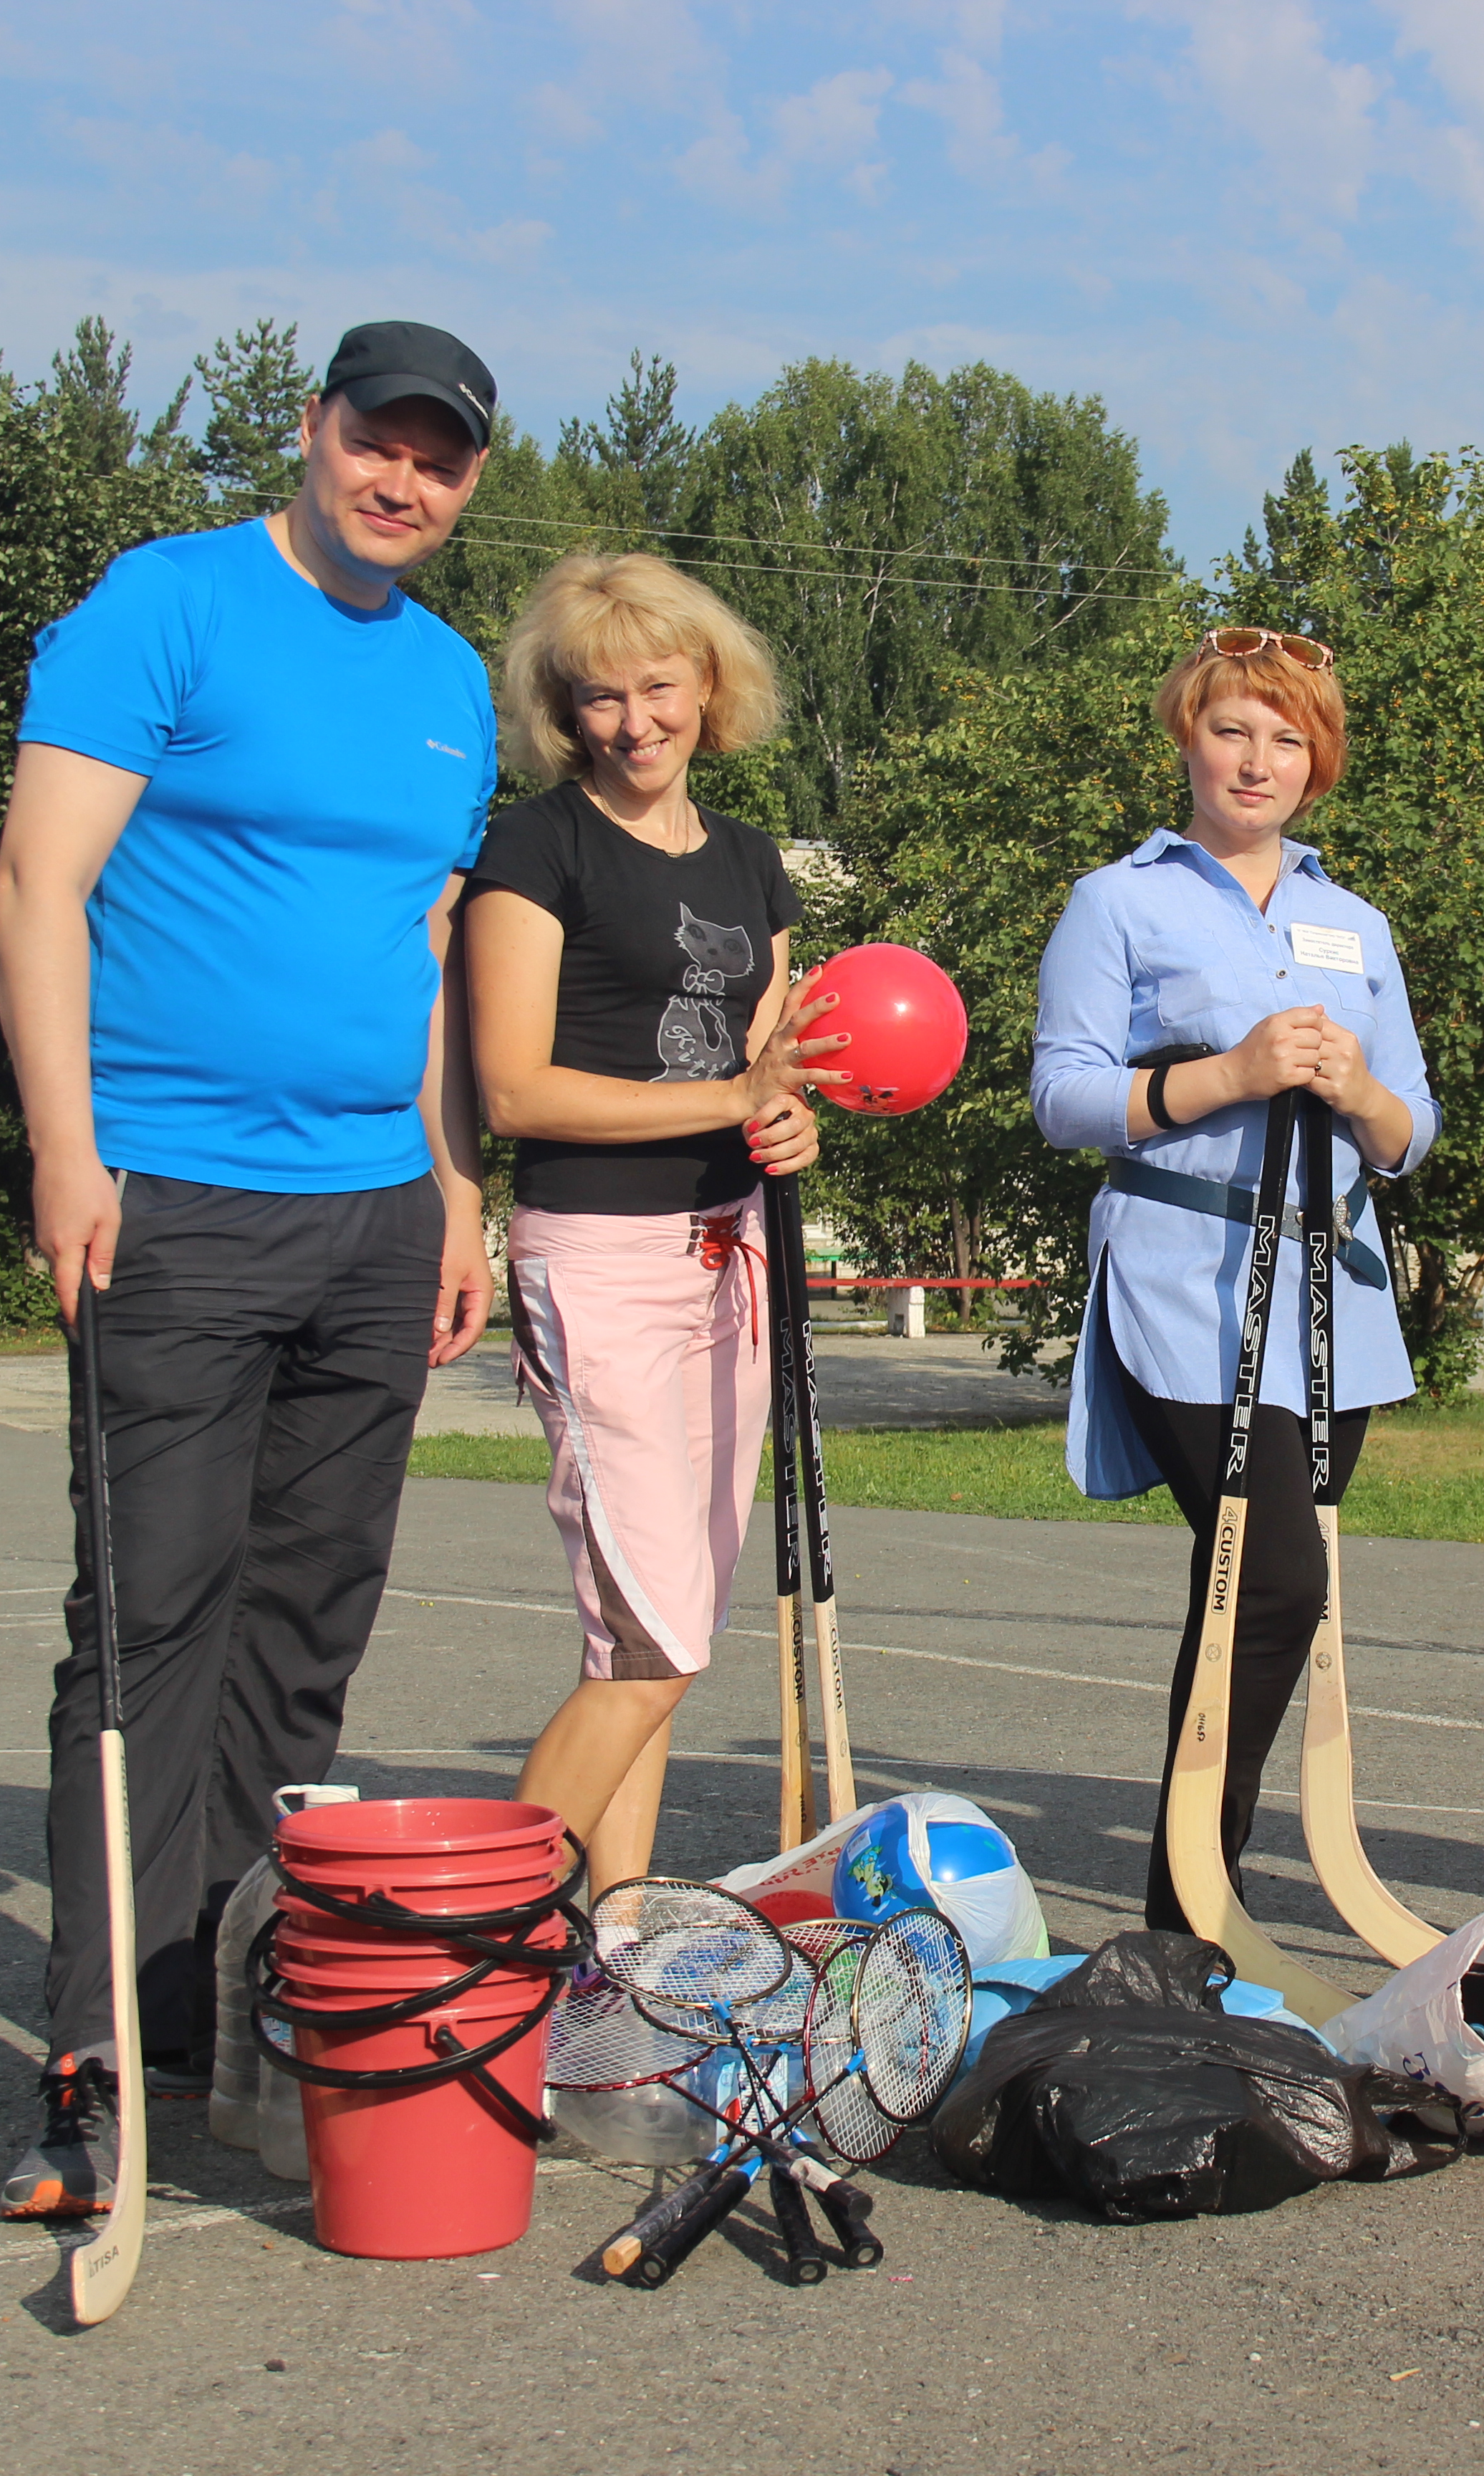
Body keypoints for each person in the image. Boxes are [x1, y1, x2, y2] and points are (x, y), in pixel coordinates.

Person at [0, 320, 506, 2219]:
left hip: (374, 1215)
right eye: (381, 440)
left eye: (441, 462)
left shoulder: (453, 684)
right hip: (171, 1197)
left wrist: (453, 1189)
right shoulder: (169, 606)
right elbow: (42, 879)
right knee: (150, 1629)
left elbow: (432, 947)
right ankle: (93, 2058)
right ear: (315, 431)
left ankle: (215, 2009)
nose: (404, 481)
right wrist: (64, 1150)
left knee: (303, 1637)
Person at [1031, 628, 1435, 1936]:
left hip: (1333, 1306)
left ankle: (1194, 1897)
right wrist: (1234, 1073)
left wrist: (1356, 1087)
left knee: (1249, 1595)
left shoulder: (1353, 921)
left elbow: (1411, 1130)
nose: (1256, 759)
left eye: (1286, 736)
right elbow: (1062, 1096)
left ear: (1317, 761)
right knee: (1266, 1585)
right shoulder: (1119, 900)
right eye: (1231, 730)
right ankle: (1189, 1911)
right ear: (1185, 739)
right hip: (1181, 1285)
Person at [459, 551, 840, 1890]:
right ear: (564, 712)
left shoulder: (747, 861)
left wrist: (783, 1119)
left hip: (725, 1256)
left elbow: (769, 1069)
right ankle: (479, 1950)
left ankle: (609, 1946)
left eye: (657, 686)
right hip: (601, 1260)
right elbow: (511, 1087)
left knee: (646, 1647)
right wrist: (734, 1091)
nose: (634, 721)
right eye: (600, 697)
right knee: (658, 1634)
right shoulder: (535, 844)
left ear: (707, 687)